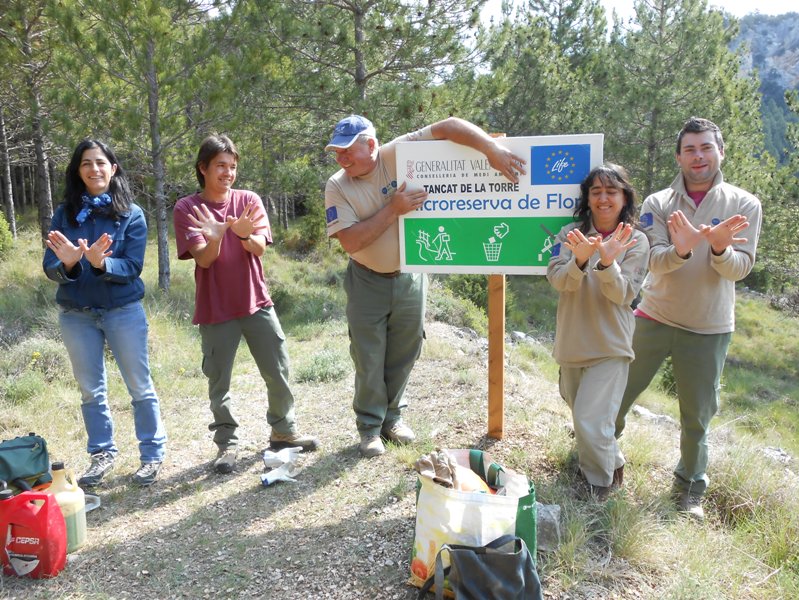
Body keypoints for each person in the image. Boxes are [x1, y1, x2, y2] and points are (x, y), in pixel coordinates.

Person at [324, 115, 526, 457]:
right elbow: (350, 242)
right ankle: (370, 428)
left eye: (347, 151)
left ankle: (393, 418)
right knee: (369, 355)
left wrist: (490, 148)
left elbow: (448, 126)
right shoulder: (338, 184)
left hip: (410, 277)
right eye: (336, 152)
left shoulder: (396, 154)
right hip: (366, 279)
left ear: (371, 146)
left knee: (406, 349)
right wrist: (393, 210)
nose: (341, 159)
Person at [615, 117, 762, 520]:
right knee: (617, 393)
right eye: (690, 149)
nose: (699, 157)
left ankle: (689, 489)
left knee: (697, 415)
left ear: (721, 151)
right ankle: (601, 461)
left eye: (706, 148)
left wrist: (718, 251)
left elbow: (740, 269)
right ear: (679, 156)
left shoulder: (744, 204)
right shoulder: (659, 203)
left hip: (709, 326)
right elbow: (654, 264)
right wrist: (680, 250)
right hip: (654, 315)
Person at [173, 134, 318, 474]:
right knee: (219, 381)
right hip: (216, 307)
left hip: (257, 302)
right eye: (220, 166)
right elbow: (205, 260)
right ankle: (227, 446)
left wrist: (239, 231)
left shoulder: (248, 200)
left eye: (233, 166)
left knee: (278, 369)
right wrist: (218, 234)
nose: (228, 173)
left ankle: (283, 431)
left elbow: (259, 248)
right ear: (203, 168)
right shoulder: (187, 208)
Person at [43, 139, 167, 487]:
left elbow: (132, 266)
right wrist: (66, 264)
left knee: (139, 386)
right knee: (90, 391)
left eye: (101, 163)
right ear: (77, 171)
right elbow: (50, 265)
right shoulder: (64, 214)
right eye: (86, 163)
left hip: (122, 310)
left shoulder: (132, 214)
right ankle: (101, 455)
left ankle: (152, 454)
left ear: (113, 169)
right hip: (76, 314)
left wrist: (102, 264)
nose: (94, 169)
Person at [547, 163, 649, 499]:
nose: (603, 198)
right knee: (584, 419)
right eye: (596, 191)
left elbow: (623, 295)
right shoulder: (568, 235)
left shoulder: (635, 242)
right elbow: (559, 282)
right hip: (572, 343)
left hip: (611, 346)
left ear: (624, 198)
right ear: (588, 199)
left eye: (611, 191)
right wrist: (578, 260)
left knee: (591, 424)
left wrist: (607, 263)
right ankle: (614, 462)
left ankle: (599, 489)